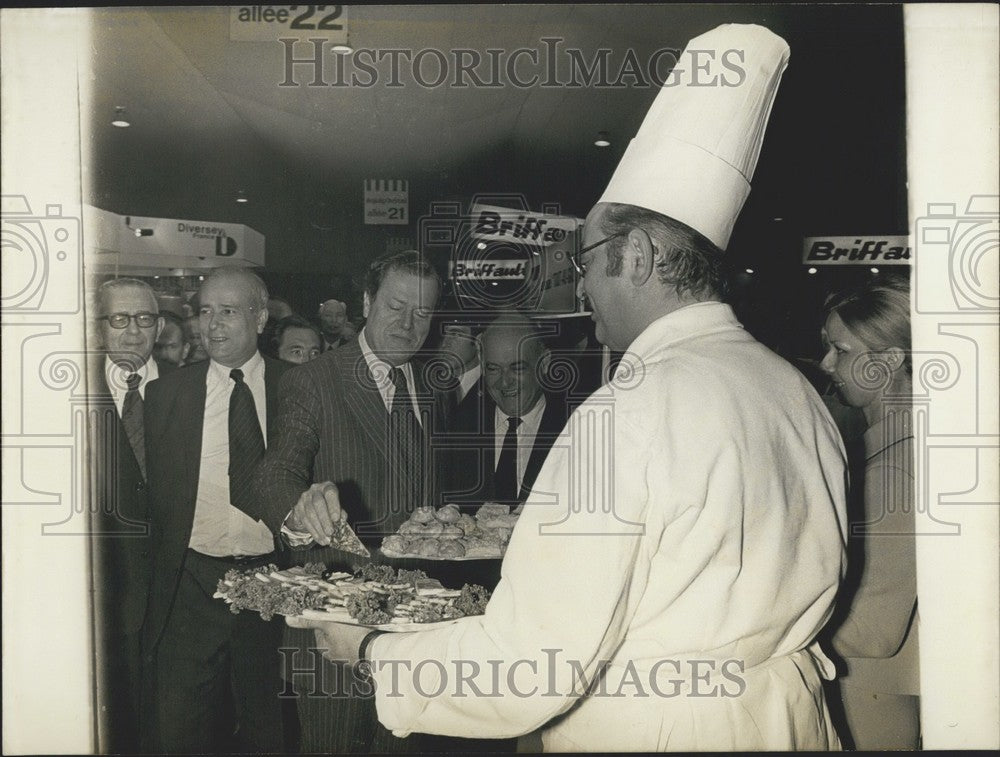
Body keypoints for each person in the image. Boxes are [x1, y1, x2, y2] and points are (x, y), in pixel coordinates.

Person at [290, 23, 849, 751]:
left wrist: (370, 651)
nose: (580, 287)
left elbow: (534, 660)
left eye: (586, 261)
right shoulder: (795, 389)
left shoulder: (629, 409)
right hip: (787, 720)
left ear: (637, 256)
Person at [255, 249, 450, 752]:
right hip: (333, 632)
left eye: (422, 312)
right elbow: (276, 471)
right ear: (367, 302)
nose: (408, 325)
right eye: (395, 307)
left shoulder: (436, 387)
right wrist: (299, 509)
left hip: (416, 635)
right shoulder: (314, 380)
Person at [141, 266, 291, 753]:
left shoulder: (299, 387)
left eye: (228, 311)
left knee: (270, 727)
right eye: (206, 311)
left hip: (274, 584)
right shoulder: (166, 395)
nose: (213, 324)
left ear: (260, 318)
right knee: (180, 730)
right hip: (192, 584)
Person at [818, 274, 919, 750]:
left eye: (840, 350)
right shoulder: (893, 451)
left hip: (868, 693)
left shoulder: (897, 469)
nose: (826, 364)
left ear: (890, 360)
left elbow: (873, 630)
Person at [89, 277, 164, 753]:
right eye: (119, 319)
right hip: (102, 591)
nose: (133, 331)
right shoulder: (67, 391)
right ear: (98, 328)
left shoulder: (195, 389)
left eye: (144, 319)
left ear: (160, 327)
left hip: (173, 593)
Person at [442, 313, 570, 507]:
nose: (504, 382)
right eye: (493, 369)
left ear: (544, 363)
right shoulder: (459, 428)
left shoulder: (576, 430)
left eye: (517, 368)